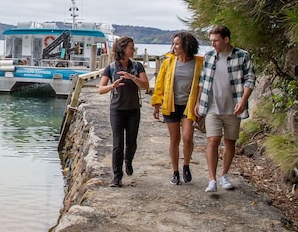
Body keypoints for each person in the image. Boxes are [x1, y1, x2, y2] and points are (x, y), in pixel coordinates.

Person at [194, 25, 255, 193]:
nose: (212, 44)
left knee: (230, 142)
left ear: (226, 40)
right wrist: (198, 102)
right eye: (211, 40)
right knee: (212, 140)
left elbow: (250, 79)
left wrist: (243, 101)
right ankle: (212, 179)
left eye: (216, 40)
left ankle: (224, 175)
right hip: (212, 106)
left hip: (233, 108)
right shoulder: (209, 56)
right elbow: (202, 81)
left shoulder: (242, 56)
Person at [151, 32, 204, 185]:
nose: (174, 47)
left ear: (186, 45)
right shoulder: (169, 62)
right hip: (171, 105)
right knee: (174, 139)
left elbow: (203, 84)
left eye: (177, 44)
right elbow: (160, 84)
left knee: (188, 138)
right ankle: (175, 171)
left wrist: (201, 104)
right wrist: (156, 104)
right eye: (173, 43)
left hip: (189, 106)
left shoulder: (198, 63)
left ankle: (186, 165)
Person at [98, 37, 150, 187]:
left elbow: (146, 86)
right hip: (117, 110)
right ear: (122, 49)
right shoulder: (112, 68)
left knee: (131, 143)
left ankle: (128, 160)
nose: (133, 50)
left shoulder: (137, 66)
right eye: (130, 48)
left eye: (133, 47)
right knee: (117, 144)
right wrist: (112, 86)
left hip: (133, 109)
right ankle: (117, 177)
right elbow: (100, 89)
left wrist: (132, 77)